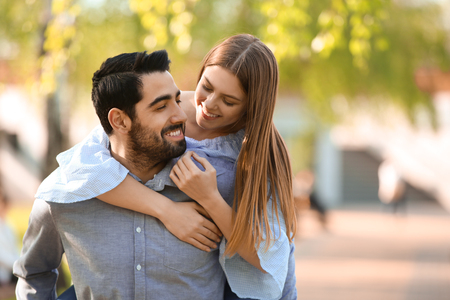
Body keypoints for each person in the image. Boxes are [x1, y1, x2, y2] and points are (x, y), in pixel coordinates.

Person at [43, 34, 298, 299]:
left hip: (231, 286)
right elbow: (83, 171)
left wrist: (210, 198)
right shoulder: (160, 109)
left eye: (229, 101)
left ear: (252, 108)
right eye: (207, 87)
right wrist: (167, 210)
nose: (209, 105)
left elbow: (270, 256)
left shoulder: (260, 151)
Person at [14, 50, 231, 299]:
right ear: (119, 121)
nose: (181, 115)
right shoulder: (63, 197)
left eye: (178, 101)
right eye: (161, 106)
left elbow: (265, 264)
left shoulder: (212, 182)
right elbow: (33, 273)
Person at [0, 186, 19, 287]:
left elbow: (14, 248)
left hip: (12, 268)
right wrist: (17, 265)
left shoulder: (8, 224)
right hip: (5, 271)